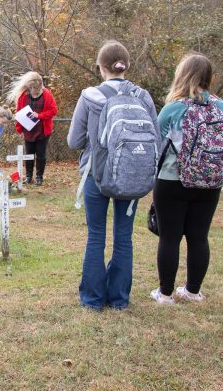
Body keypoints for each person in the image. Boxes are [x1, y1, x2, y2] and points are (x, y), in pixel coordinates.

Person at [67, 40, 158, 310]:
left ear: (100, 66)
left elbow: (73, 141)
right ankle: (119, 299)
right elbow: (157, 137)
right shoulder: (143, 97)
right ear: (126, 66)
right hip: (132, 175)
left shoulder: (90, 97)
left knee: (96, 234)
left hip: (97, 174)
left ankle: (93, 299)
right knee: (123, 236)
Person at [150, 54, 223, 305]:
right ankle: (193, 291)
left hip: (172, 179)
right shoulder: (221, 107)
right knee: (199, 236)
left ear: (182, 75)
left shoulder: (174, 108)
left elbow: (157, 140)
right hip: (210, 181)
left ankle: (165, 294)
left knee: (170, 236)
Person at [7, 71, 58, 185]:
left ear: (40, 86)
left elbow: (54, 110)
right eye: (32, 89)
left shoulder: (47, 95)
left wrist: (39, 115)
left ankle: (39, 177)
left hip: (42, 130)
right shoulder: (23, 96)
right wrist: (19, 129)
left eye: (37, 89)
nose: (34, 91)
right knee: (28, 154)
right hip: (28, 130)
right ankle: (29, 176)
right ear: (29, 87)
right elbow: (19, 113)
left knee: (41, 155)